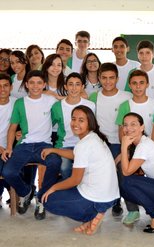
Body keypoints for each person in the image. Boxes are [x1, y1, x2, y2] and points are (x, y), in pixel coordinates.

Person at [41, 105, 120, 235]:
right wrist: (54, 150)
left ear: (90, 122)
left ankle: (91, 214)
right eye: (73, 119)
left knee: (48, 200)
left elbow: (75, 180)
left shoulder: (85, 144)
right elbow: (76, 155)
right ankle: (93, 213)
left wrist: (53, 188)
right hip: (108, 195)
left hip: (97, 198)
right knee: (53, 191)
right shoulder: (94, 137)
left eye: (81, 120)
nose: (75, 123)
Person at [1, 70, 61, 220]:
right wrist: (9, 147)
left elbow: (61, 113)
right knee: (8, 172)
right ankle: (26, 192)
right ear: (26, 84)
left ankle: (41, 198)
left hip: (44, 145)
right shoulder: (20, 103)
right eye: (32, 82)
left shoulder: (51, 101)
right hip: (24, 145)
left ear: (44, 84)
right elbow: (13, 128)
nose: (35, 86)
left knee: (55, 162)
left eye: (39, 82)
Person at [115, 69, 154, 225]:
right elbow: (123, 134)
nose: (138, 86)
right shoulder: (125, 105)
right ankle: (133, 210)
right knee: (121, 168)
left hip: (152, 151)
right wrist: (125, 152)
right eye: (134, 83)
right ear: (129, 85)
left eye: (141, 83)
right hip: (132, 151)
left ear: (147, 84)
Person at [89, 62, 132, 217]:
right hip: (101, 143)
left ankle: (118, 201)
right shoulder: (94, 97)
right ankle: (102, 202)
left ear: (117, 78)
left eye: (111, 78)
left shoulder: (127, 97)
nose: (108, 81)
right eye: (104, 78)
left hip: (120, 143)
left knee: (121, 174)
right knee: (99, 173)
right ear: (99, 78)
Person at [51, 72, 95, 179]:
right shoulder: (57, 106)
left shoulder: (90, 105)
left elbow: (93, 127)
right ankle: (69, 192)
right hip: (64, 145)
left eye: (77, 84)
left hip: (85, 145)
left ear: (82, 87)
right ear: (66, 87)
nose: (74, 88)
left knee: (90, 169)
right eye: (70, 84)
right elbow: (47, 126)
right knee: (65, 168)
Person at [0, 74, 15, 207]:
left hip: (11, 147)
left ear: (11, 87)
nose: (2, 89)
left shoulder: (16, 103)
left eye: (5, 86)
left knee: (9, 169)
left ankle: (14, 193)